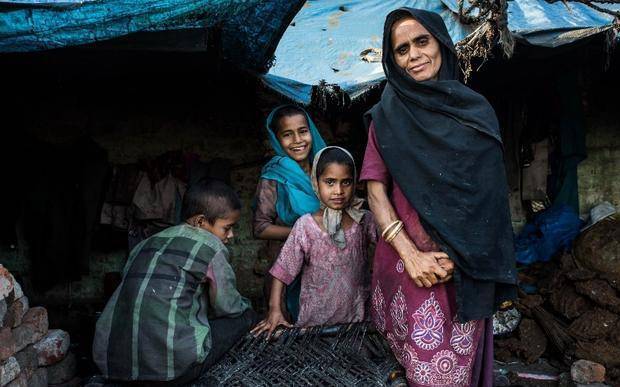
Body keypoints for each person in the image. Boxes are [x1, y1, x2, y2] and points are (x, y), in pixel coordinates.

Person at [360, 8, 517, 386]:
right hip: (407, 268)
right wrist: (412, 256)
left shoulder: (475, 112)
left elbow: (491, 201)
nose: (413, 55)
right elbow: (375, 189)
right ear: (392, 60)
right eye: (401, 50)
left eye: (421, 41)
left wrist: (466, 258)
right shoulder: (386, 116)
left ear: (441, 44)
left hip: (464, 269)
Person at [92, 179, 256, 385]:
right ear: (200, 222)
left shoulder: (145, 243)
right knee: (244, 317)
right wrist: (246, 309)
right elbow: (228, 306)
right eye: (227, 228)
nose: (230, 235)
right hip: (171, 370)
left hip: (114, 365)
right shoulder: (210, 246)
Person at [252, 146, 377, 335]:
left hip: (357, 321)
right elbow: (281, 271)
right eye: (330, 182)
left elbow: (388, 251)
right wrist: (274, 310)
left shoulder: (364, 221)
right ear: (316, 184)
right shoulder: (306, 226)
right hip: (315, 323)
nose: (338, 190)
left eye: (346, 182)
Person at [252, 105, 327, 321]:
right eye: (287, 134)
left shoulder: (324, 170)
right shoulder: (273, 176)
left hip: (324, 265)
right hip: (287, 270)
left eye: (303, 131)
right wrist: (305, 231)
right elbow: (260, 227)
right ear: (276, 139)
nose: (297, 140)